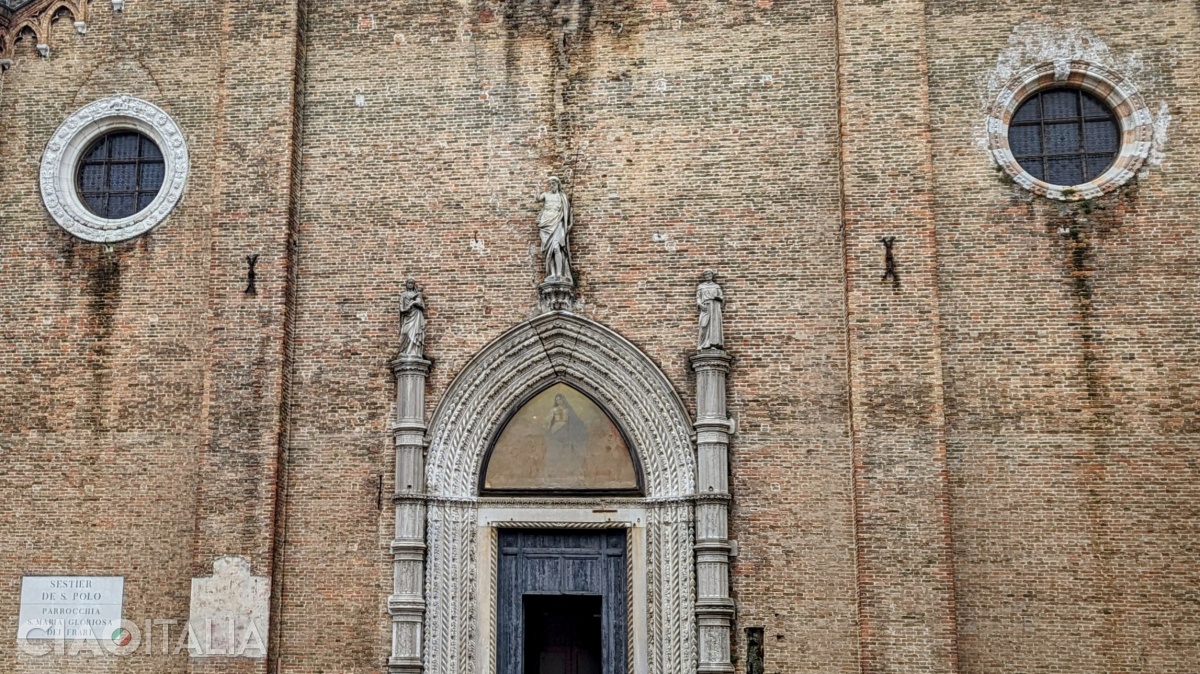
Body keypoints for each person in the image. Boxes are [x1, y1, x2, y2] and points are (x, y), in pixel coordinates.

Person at [536, 177, 572, 282]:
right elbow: (538, 199)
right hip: (545, 224)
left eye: (554, 184)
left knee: (556, 248)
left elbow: (568, 212)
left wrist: (569, 224)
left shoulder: (562, 197)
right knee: (548, 251)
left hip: (557, 224)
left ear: (558, 184)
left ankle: (560, 273)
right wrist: (537, 189)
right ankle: (551, 273)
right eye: (550, 184)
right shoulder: (546, 195)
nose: (552, 186)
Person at [697, 270, 724, 349]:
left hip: (715, 307)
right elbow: (698, 298)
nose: (708, 275)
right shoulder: (701, 287)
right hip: (705, 306)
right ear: (704, 276)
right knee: (703, 325)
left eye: (709, 274)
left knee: (714, 325)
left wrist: (718, 298)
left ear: (712, 275)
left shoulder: (716, 286)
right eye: (706, 274)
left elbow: (722, 297)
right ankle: (702, 344)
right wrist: (700, 304)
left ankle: (713, 344)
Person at [399, 279, 426, 358]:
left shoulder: (418, 294)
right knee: (405, 332)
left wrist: (414, 303)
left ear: (414, 285)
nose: (410, 284)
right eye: (409, 283)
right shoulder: (403, 295)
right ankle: (405, 351)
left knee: (415, 333)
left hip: (416, 315)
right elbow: (401, 307)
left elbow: (422, 306)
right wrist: (405, 309)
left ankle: (415, 352)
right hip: (407, 316)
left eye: (412, 283)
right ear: (406, 284)